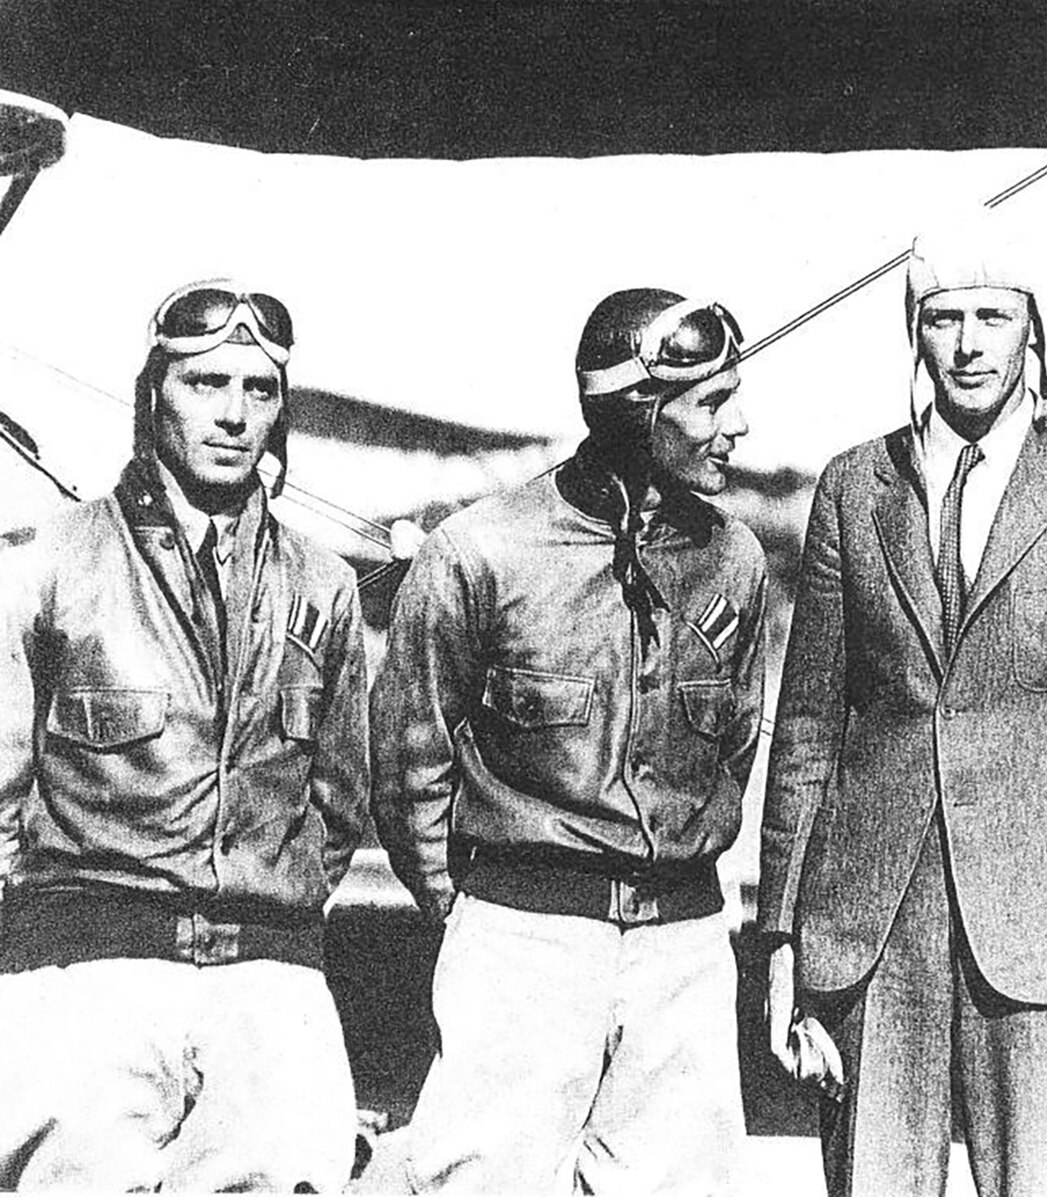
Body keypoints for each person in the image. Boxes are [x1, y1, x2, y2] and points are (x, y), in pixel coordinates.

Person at [757, 215, 1047, 1197]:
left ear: (1032, 327)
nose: (967, 345)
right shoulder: (854, 486)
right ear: (914, 332)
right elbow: (808, 733)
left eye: (992, 317)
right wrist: (783, 941)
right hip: (872, 929)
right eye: (943, 318)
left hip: (1043, 932)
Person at [373, 289, 767, 1194]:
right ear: (638, 413)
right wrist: (479, 917)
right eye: (713, 402)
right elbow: (408, 764)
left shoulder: (735, 559)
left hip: (683, 947)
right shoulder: (478, 552)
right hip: (524, 943)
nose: (738, 425)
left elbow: (735, 746)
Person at [0, 280, 370, 1191]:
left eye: (259, 389)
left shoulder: (324, 585)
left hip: (269, 985)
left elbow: (338, 802)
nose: (234, 415)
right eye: (206, 383)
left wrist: (275, 924)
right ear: (154, 394)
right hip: (87, 976)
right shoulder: (48, 564)